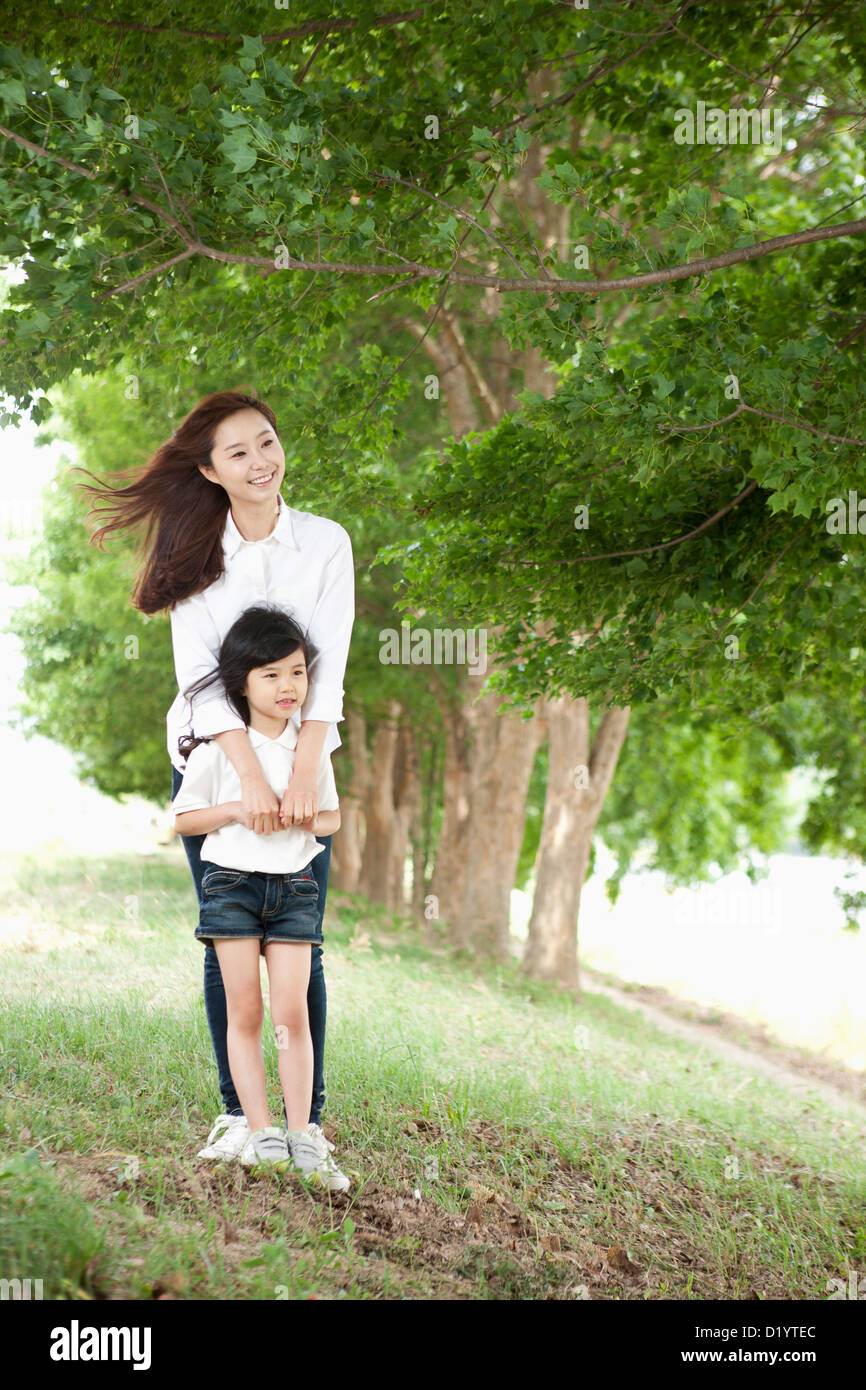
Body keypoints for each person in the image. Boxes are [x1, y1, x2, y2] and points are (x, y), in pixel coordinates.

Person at [78, 390, 354, 1184]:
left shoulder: (326, 543)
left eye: (267, 442)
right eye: (238, 453)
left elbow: (328, 662)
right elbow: (199, 683)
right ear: (209, 470)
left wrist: (302, 770)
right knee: (227, 929)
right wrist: (246, 779)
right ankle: (241, 1114)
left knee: (300, 938)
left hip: (307, 759)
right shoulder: (195, 552)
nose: (260, 462)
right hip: (211, 759)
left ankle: (311, 1123)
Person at [173, 605, 345, 1185]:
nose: (287, 686)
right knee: (245, 1011)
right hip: (231, 886)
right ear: (240, 682)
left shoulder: (312, 746)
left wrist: (306, 818)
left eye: (296, 672)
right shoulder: (218, 747)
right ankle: (259, 1128)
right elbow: (185, 820)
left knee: (292, 1012)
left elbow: (332, 818)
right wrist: (238, 810)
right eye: (270, 674)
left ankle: (304, 1136)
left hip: (296, 887)